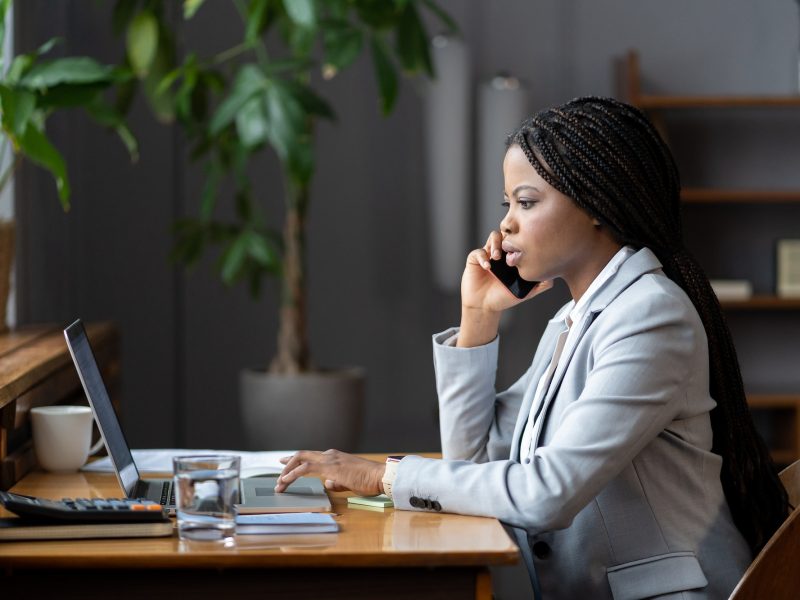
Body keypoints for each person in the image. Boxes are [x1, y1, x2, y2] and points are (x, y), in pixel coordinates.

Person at [275, 96, 789, 599]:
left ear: (596, 205)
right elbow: (473, 461)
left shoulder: (650, 316)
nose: (506, 225)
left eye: (525, 202)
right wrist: (477, 317)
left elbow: (546, 493)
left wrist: (379, 475)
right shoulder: (574, 317)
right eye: (508, 206)